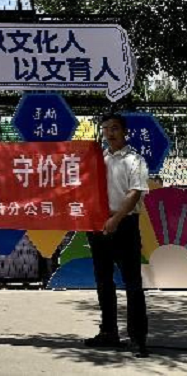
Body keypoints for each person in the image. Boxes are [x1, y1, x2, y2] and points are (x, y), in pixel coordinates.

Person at [84, 113, 149, 358]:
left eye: (114, 128)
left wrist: (116, 219)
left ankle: (138, 338)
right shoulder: (99, 159)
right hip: (99, 225)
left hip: (125, 225)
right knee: (103, 281)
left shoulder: (135, 160)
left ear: (124, 131)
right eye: (105, 129)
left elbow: (134, 193)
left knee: (132, 283)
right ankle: (108, 332)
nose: (109, 133)